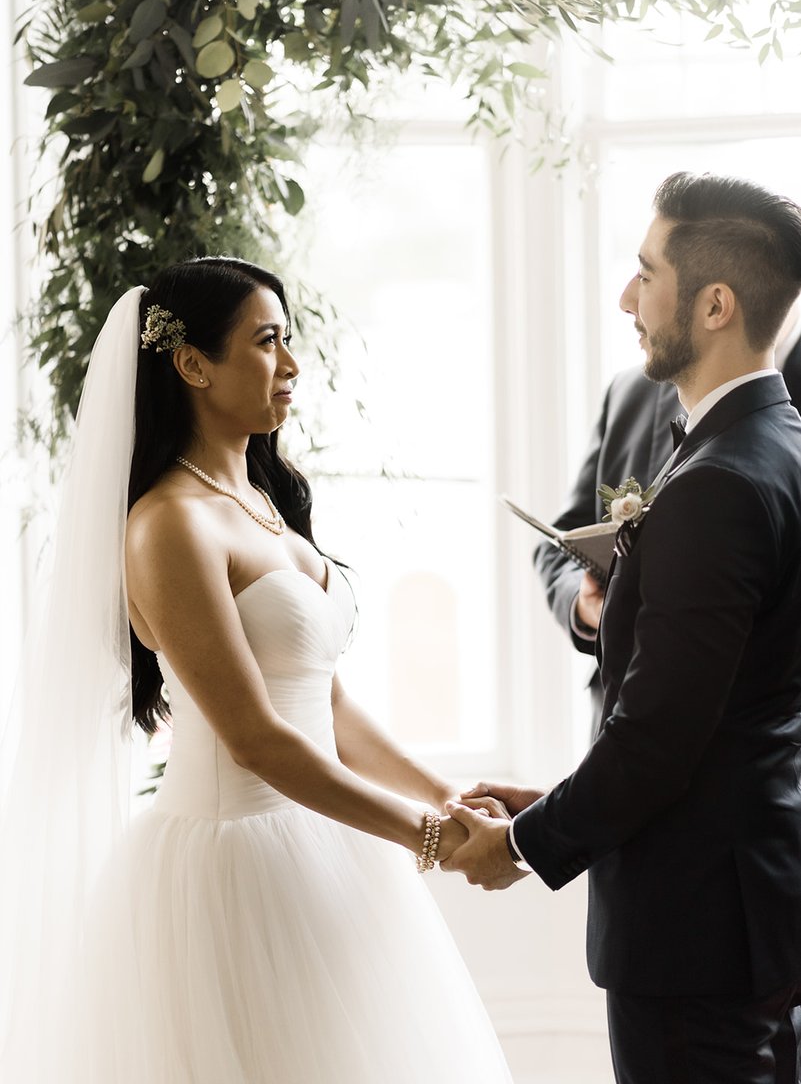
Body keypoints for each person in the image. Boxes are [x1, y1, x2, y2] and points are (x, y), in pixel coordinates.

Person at [0, 259, 513, 1083]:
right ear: (193, 364)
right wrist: (426, 836)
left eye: (288, 339)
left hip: (327, 843)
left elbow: (328, 702)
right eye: (266, 341)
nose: (292, 364)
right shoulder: (168, 524)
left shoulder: (266, 500)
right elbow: (253, 739)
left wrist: (441, 797)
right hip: (234, 867)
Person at [443, 172, 801, 1083]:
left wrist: (523, 845)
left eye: (646, 273)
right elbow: (709, 711)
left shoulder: (717, 484)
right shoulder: (775, 443)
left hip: (693, 933)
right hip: (748, 901)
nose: (625, 298)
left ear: (714, 304)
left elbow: (659, 736)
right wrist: (560, 795)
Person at [535, 308, 801, 735]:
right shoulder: (630, 390)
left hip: (757, 747)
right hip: (619, 732)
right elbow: (562, 537)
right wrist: (586, 608)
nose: (631, 300)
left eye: (650, 273)